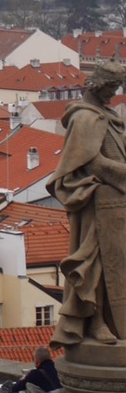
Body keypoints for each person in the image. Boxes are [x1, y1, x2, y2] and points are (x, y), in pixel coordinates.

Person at [48, 60, 126, 349]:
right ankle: (95, 321)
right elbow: (89, 161)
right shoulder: (84, 119)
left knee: (117, 265)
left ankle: (112, 319)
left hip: (116, 203)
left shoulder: (107, 116)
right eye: (112, 88)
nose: (114, 94)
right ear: (100, 85)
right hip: (96, 202)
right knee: (95, 265)